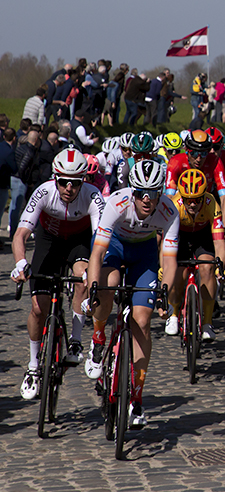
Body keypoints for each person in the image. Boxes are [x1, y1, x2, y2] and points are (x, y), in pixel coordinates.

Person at [84, 160, 177, 430]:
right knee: (108, 283)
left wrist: (164, 295)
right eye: (140, 193)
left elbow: (169, 261)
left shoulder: (169, 210)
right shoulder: (116, 202)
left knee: (143, 321)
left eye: (153, 193)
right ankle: (99, 336)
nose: (146, 200)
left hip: (144, 253)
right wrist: (92, 289)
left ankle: (136, 398)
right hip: (114, 245)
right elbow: (97, 254)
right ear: (132, 191)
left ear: (161, 192)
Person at [10, 149, 105, 399]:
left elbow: (100, 240)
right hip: (48, 240)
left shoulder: (93, 196)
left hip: (79, 241)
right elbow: (20, 235)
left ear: (83, 180)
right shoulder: (43, 191)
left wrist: (95, 272)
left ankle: (75, 339)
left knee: (82, 277)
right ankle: (32, 367)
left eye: (75, 183)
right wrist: (20, 263)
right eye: (63, 182)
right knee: (38, 310)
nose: (69, 188)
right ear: (56, 178)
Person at [166, 169, 225, 341]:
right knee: (178, 272)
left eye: (197, 200)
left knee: (208, 268)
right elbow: (166, 242)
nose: (192, 205)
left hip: (203, 235)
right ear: (182, 198)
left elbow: (219, 242)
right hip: (180, 236)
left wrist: (220, 265)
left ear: (204, 196)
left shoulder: (211, 202)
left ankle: (207, 323)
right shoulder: (174, 205)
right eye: (188, 201)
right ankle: (174, 314)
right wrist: (164, 267)